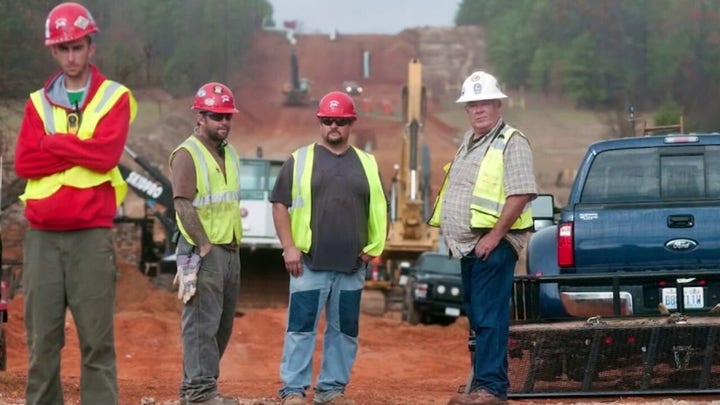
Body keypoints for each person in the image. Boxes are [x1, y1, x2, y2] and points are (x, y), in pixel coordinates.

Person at [13, 3, 136, 404]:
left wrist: (52, 144)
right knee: (41, 345)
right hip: (42, 239)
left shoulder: (114, 97)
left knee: (97, 346)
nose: (71, 57)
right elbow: (24, 162)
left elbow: (105, 156)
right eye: (63, 49)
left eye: (77, 47)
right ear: (53, 51)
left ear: (91, 47)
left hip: (90, 237)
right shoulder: (38, 102)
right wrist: (78, 147)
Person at [271, 91, 387, 405]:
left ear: (351, 124)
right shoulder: (300, 159)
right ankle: (293, 391)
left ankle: (331, 390)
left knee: (345, 330)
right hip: (309, 263)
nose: (333, 126)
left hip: (351, 267)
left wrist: (373, 248)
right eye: (328, 121)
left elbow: (379, 208)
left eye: (340, 121)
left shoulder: (367, 163)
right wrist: (289, 247)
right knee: (301, 328)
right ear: (320, 122)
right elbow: (279, 204)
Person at [428, 71, 537, 405]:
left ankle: (490, 389)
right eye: (472, 104)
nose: (479, 109)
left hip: (493, 245)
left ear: (498, 103)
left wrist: (494, 236)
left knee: (490, 316)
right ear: (466, 109)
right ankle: (482, 386)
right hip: (469, 248)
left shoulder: (511, 141)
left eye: (485, 102)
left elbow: (521, 193)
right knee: (478, 316)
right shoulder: (468, 143)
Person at [169, 82, 243, 405]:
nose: (224, 122)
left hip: (229, 250)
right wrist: (203, 246)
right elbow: (183, 204)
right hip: (204, 250)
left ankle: (195, 388)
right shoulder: (188, 154)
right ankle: (200, 393)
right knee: (201, 323)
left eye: (227, 116)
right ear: (200, 116)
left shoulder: (231, 153)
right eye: (217, 116)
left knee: (221, 325)